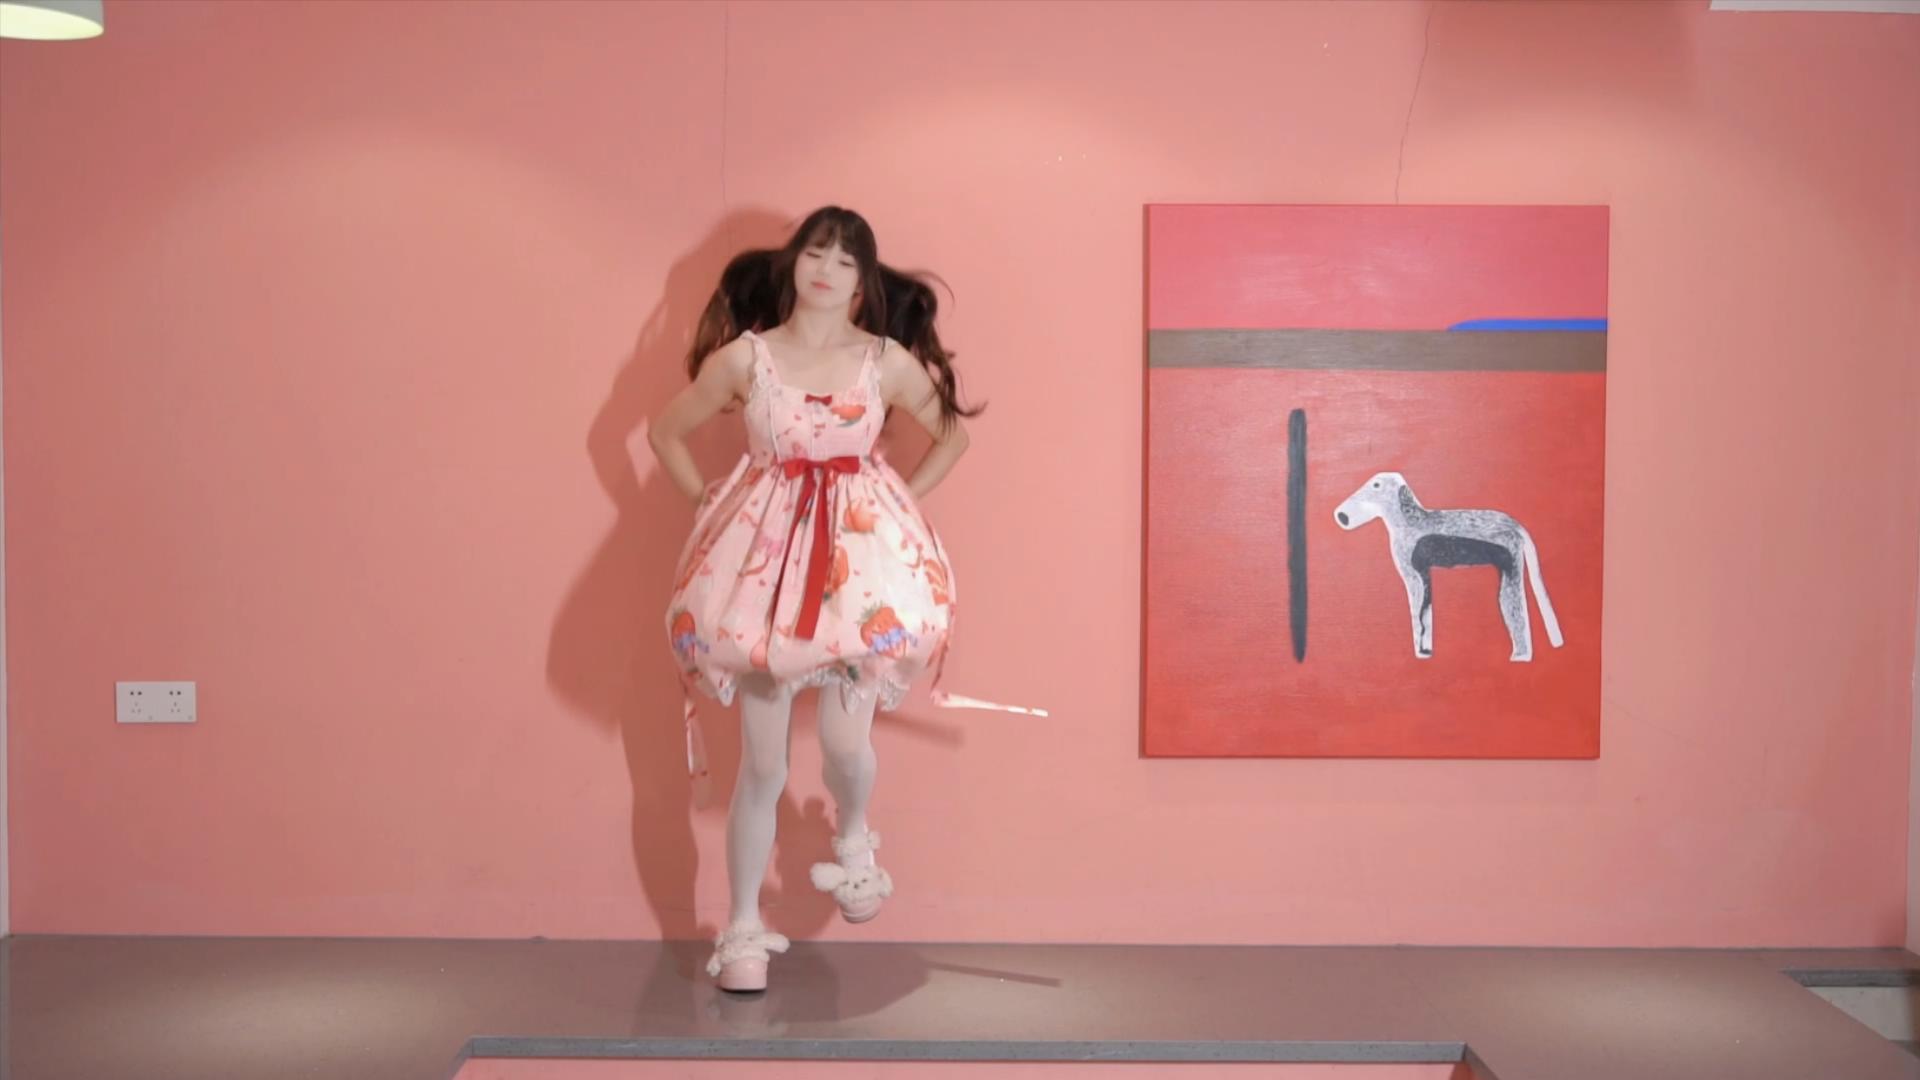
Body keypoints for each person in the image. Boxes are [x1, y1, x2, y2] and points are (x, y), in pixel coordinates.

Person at [647, 206, 979, 992]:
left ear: (863, 281)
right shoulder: (746, 358)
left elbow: (952, 436)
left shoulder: (884, 361)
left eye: (845, 261)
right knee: (762, 764)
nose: (826, 272)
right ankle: (741, 930)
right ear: (792, 262)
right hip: (764, 575)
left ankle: (854, 837)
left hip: (855, 574)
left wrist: (896, 505)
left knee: (842, 746)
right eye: (815, 255)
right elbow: (666, 432)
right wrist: (707, 504)